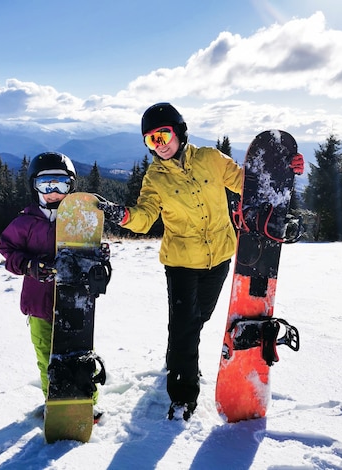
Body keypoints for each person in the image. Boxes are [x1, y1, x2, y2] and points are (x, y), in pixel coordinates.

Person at [97, 102, 304, 420]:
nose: (160, 144)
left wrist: (283, 169)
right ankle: (182, 397)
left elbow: (246, 184)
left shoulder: (209, 158)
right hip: (181, 263)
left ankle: (177, 356)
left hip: (220, 256)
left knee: (198, 319)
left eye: (163, 135)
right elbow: (145, 217)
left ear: (179, 132)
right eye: (152, 140)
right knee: (184, 329)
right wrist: (119, 214)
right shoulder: (155, 178)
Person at [0, 151, 77, 404]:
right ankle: (52, 402)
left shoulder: (79, 219)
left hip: (74, 304)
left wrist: (99, 267)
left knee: (79, 354)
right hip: (38, 304)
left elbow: (92, 252)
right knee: (46, 356)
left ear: (70, 187)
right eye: (45, 184)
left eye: (60, 184)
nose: (53, 192)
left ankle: (87, 402)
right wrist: (29, 265)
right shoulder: (26, 222)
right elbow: (7, 250)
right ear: (35, 187)